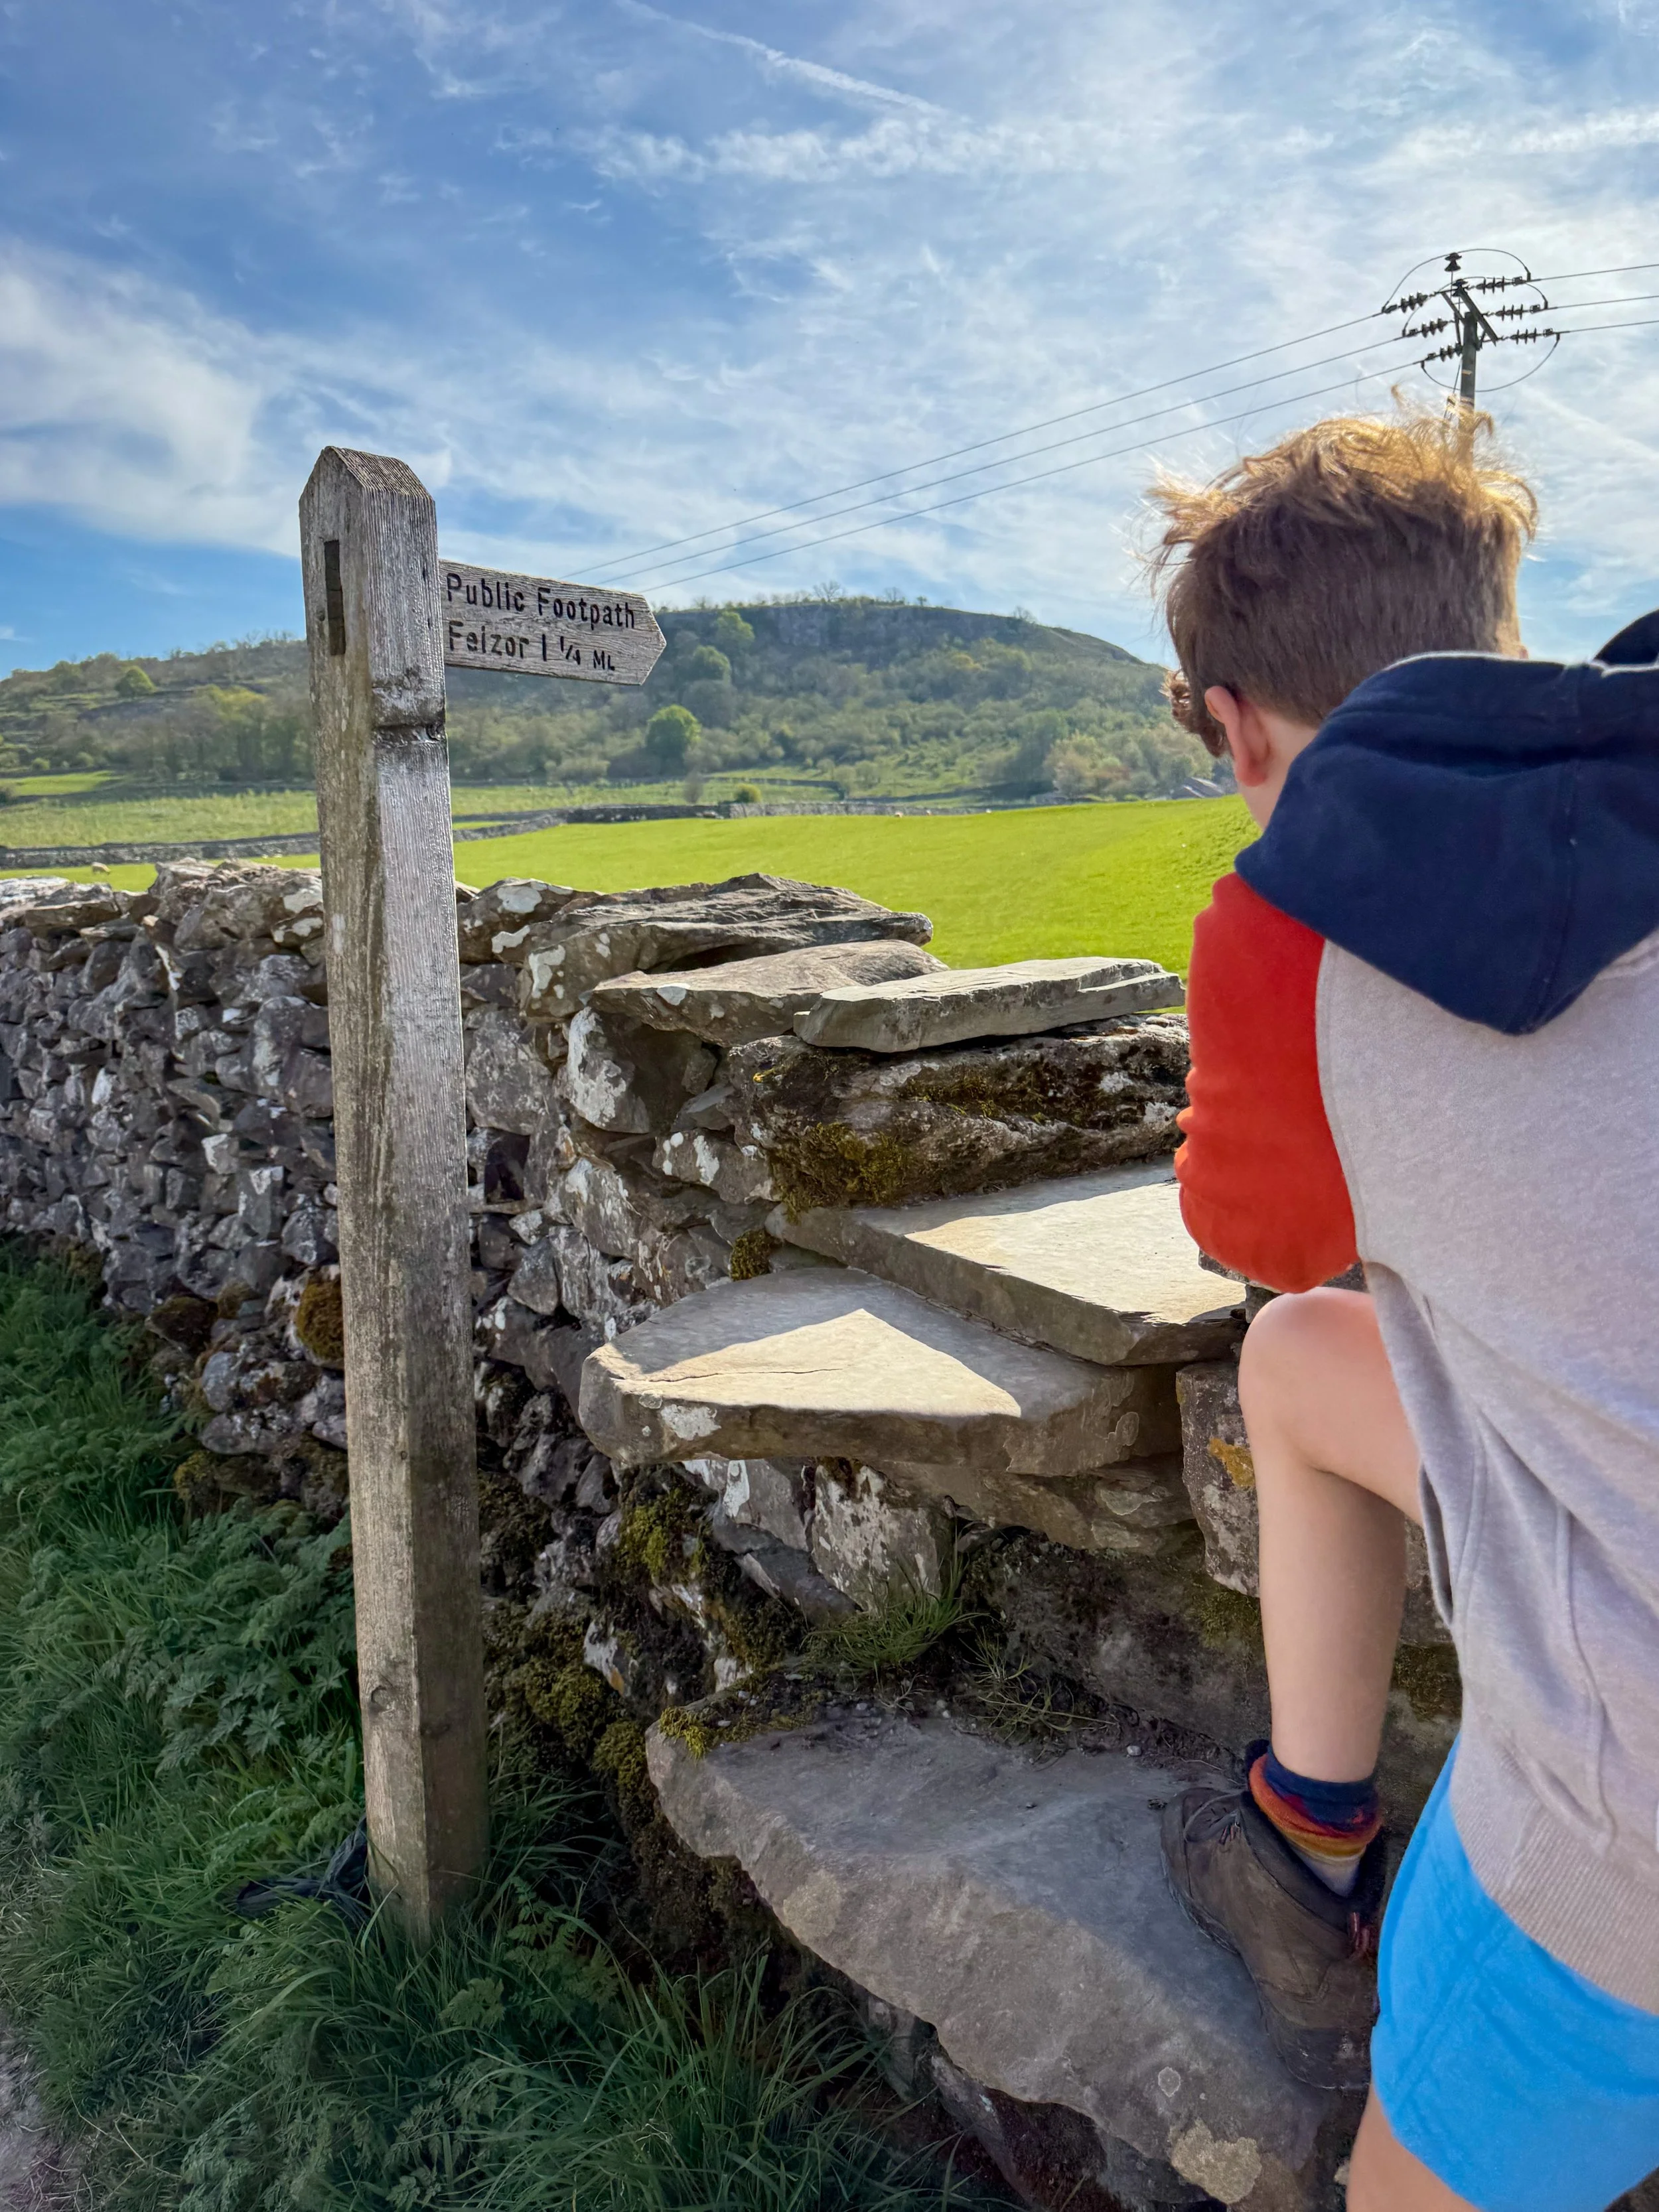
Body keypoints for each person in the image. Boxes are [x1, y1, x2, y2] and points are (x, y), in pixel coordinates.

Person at [1151, 408, 1659, 2212]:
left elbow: (1261, 1237)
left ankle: (1309, 1836)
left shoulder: (1295, 928)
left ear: (1233, 728)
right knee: (1306, 1367)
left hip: (1634, 1835)